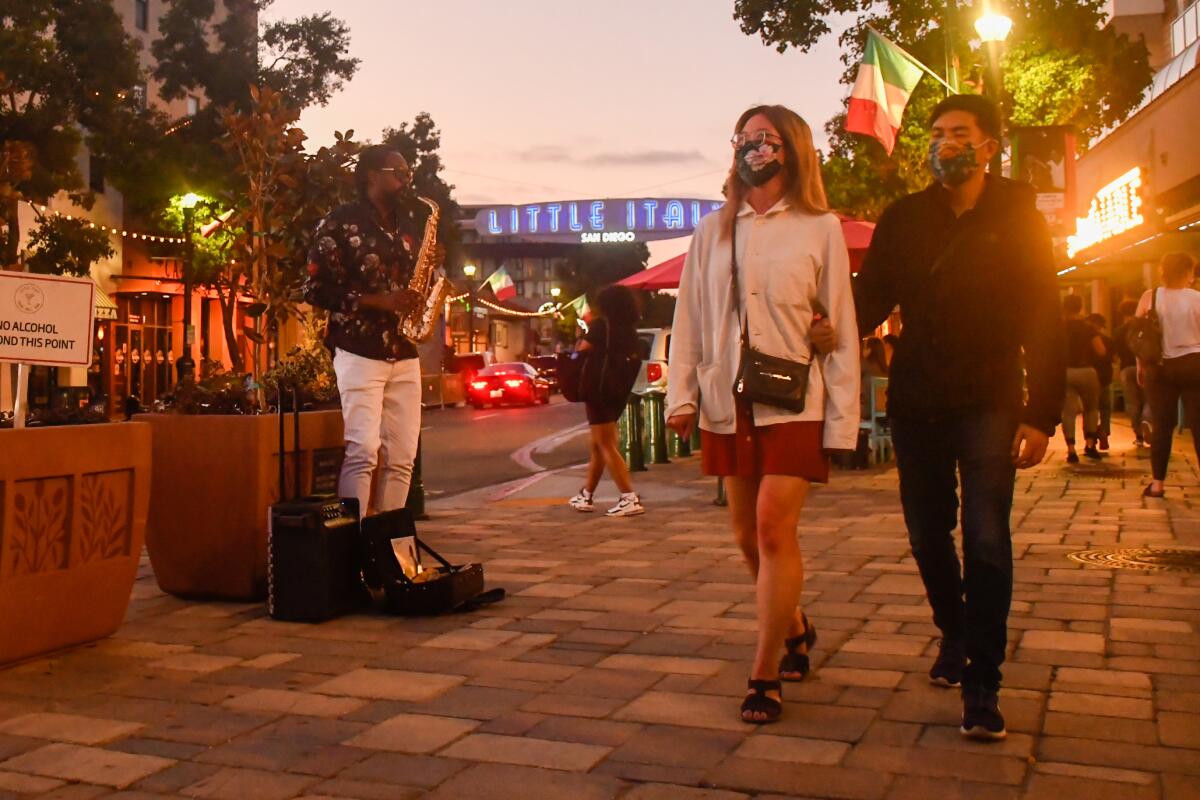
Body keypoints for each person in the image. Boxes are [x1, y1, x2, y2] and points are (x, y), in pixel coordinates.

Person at [854, 94, 1064, 741]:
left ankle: (982, 681)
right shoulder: (905, 219)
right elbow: (868, 299)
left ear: (989, 144)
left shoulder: (1019, 216)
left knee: (987, 539)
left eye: (960, 133)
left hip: (991, 400)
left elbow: (1044, 316)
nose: (947, 144)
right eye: (938, 133)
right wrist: (820, 327)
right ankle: (955, 629)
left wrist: (1040, 414)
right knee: (926, 535)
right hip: (917, 402)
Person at [666, 104, 858, 724]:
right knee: (747, 538)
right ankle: (796, 625)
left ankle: (765, 671)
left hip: (795, 400)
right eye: (744, 138)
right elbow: (689, 317)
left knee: (775, 528)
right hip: (729, 398)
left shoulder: (819, 227)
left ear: (791, 149)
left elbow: (842, 327)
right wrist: (682, 396)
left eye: (766, 138)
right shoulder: (711, 232)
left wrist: (843, 419)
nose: (753, 148)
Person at [304, 145, 429, 515]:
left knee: (403, 456)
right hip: (358, 351)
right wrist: (379, 301)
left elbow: (414, 287)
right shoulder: (339, 222)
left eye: (408, 172)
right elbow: (314, 289)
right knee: (362, 452)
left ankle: (389, 547)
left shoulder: (407, 226)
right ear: (371, 174)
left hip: (404, 350)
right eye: (398, 171)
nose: (406, 179)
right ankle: (354, 547)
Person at [568, 285, 645, 517]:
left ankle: (628, 497)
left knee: (606, 444)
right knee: (599, 443)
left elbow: (581, 350)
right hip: (617, 390)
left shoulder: (601, 326)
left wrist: (580, 338)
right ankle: (586, 494)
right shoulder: (629, 330)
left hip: (597, 389)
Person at [1137, 252, 1200, 498]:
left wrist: (1141, 367)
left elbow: (1139, 337)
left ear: (1162, 271)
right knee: (1199, 425)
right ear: (1189, 272)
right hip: (1195, 365)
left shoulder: (1150, 297)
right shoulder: (1197, 299)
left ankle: (1158, 484)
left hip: (1160, 367)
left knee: (1162, 427)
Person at [1061, 295, 1105, 464]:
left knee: (1068, 411)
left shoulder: (1058, 328)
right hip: (1087, 371)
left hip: (1066, 372)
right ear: (1080, 308)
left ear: (1064, 308)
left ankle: (1071, 449)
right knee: (1092, 409)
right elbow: (1100, 351)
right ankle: (1090, 445)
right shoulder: (1089, 328)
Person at [1112, 299, 1148, 446]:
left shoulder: (1119, 331)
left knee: (1132, 403)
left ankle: (1138, 435)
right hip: (1146, 368)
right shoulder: (1144, 329)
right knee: (1147, 400)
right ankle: (1148, 425)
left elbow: (1115, 353)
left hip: (1126, 369)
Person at [1086, 313, 1115, 450]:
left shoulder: (1084, 340)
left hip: (1089, 377)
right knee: (1105, 408)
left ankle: (1090, 439)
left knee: (1090, 409)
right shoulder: (1108, 341)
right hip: (1105, 378)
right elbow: (1113, 359)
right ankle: (1104, 431)